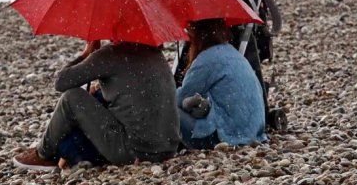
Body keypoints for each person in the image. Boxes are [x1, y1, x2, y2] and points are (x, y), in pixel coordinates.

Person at [13, 40, 180, 170]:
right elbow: (132, 91)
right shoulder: (155, 54)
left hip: (135, 151)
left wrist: (87, 54)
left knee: (72, 97)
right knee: (97, 96)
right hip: (169, 147)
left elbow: (61, 82)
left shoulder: (112, 54)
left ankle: (43, 154)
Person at [176, 18, 267, 149]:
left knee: (168, 109)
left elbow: (181, 98)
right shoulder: (234, 54)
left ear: (199, 34)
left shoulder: (206, 59)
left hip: (223, 136)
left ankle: (159, 147)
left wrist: (169, 92)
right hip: (253, 133)